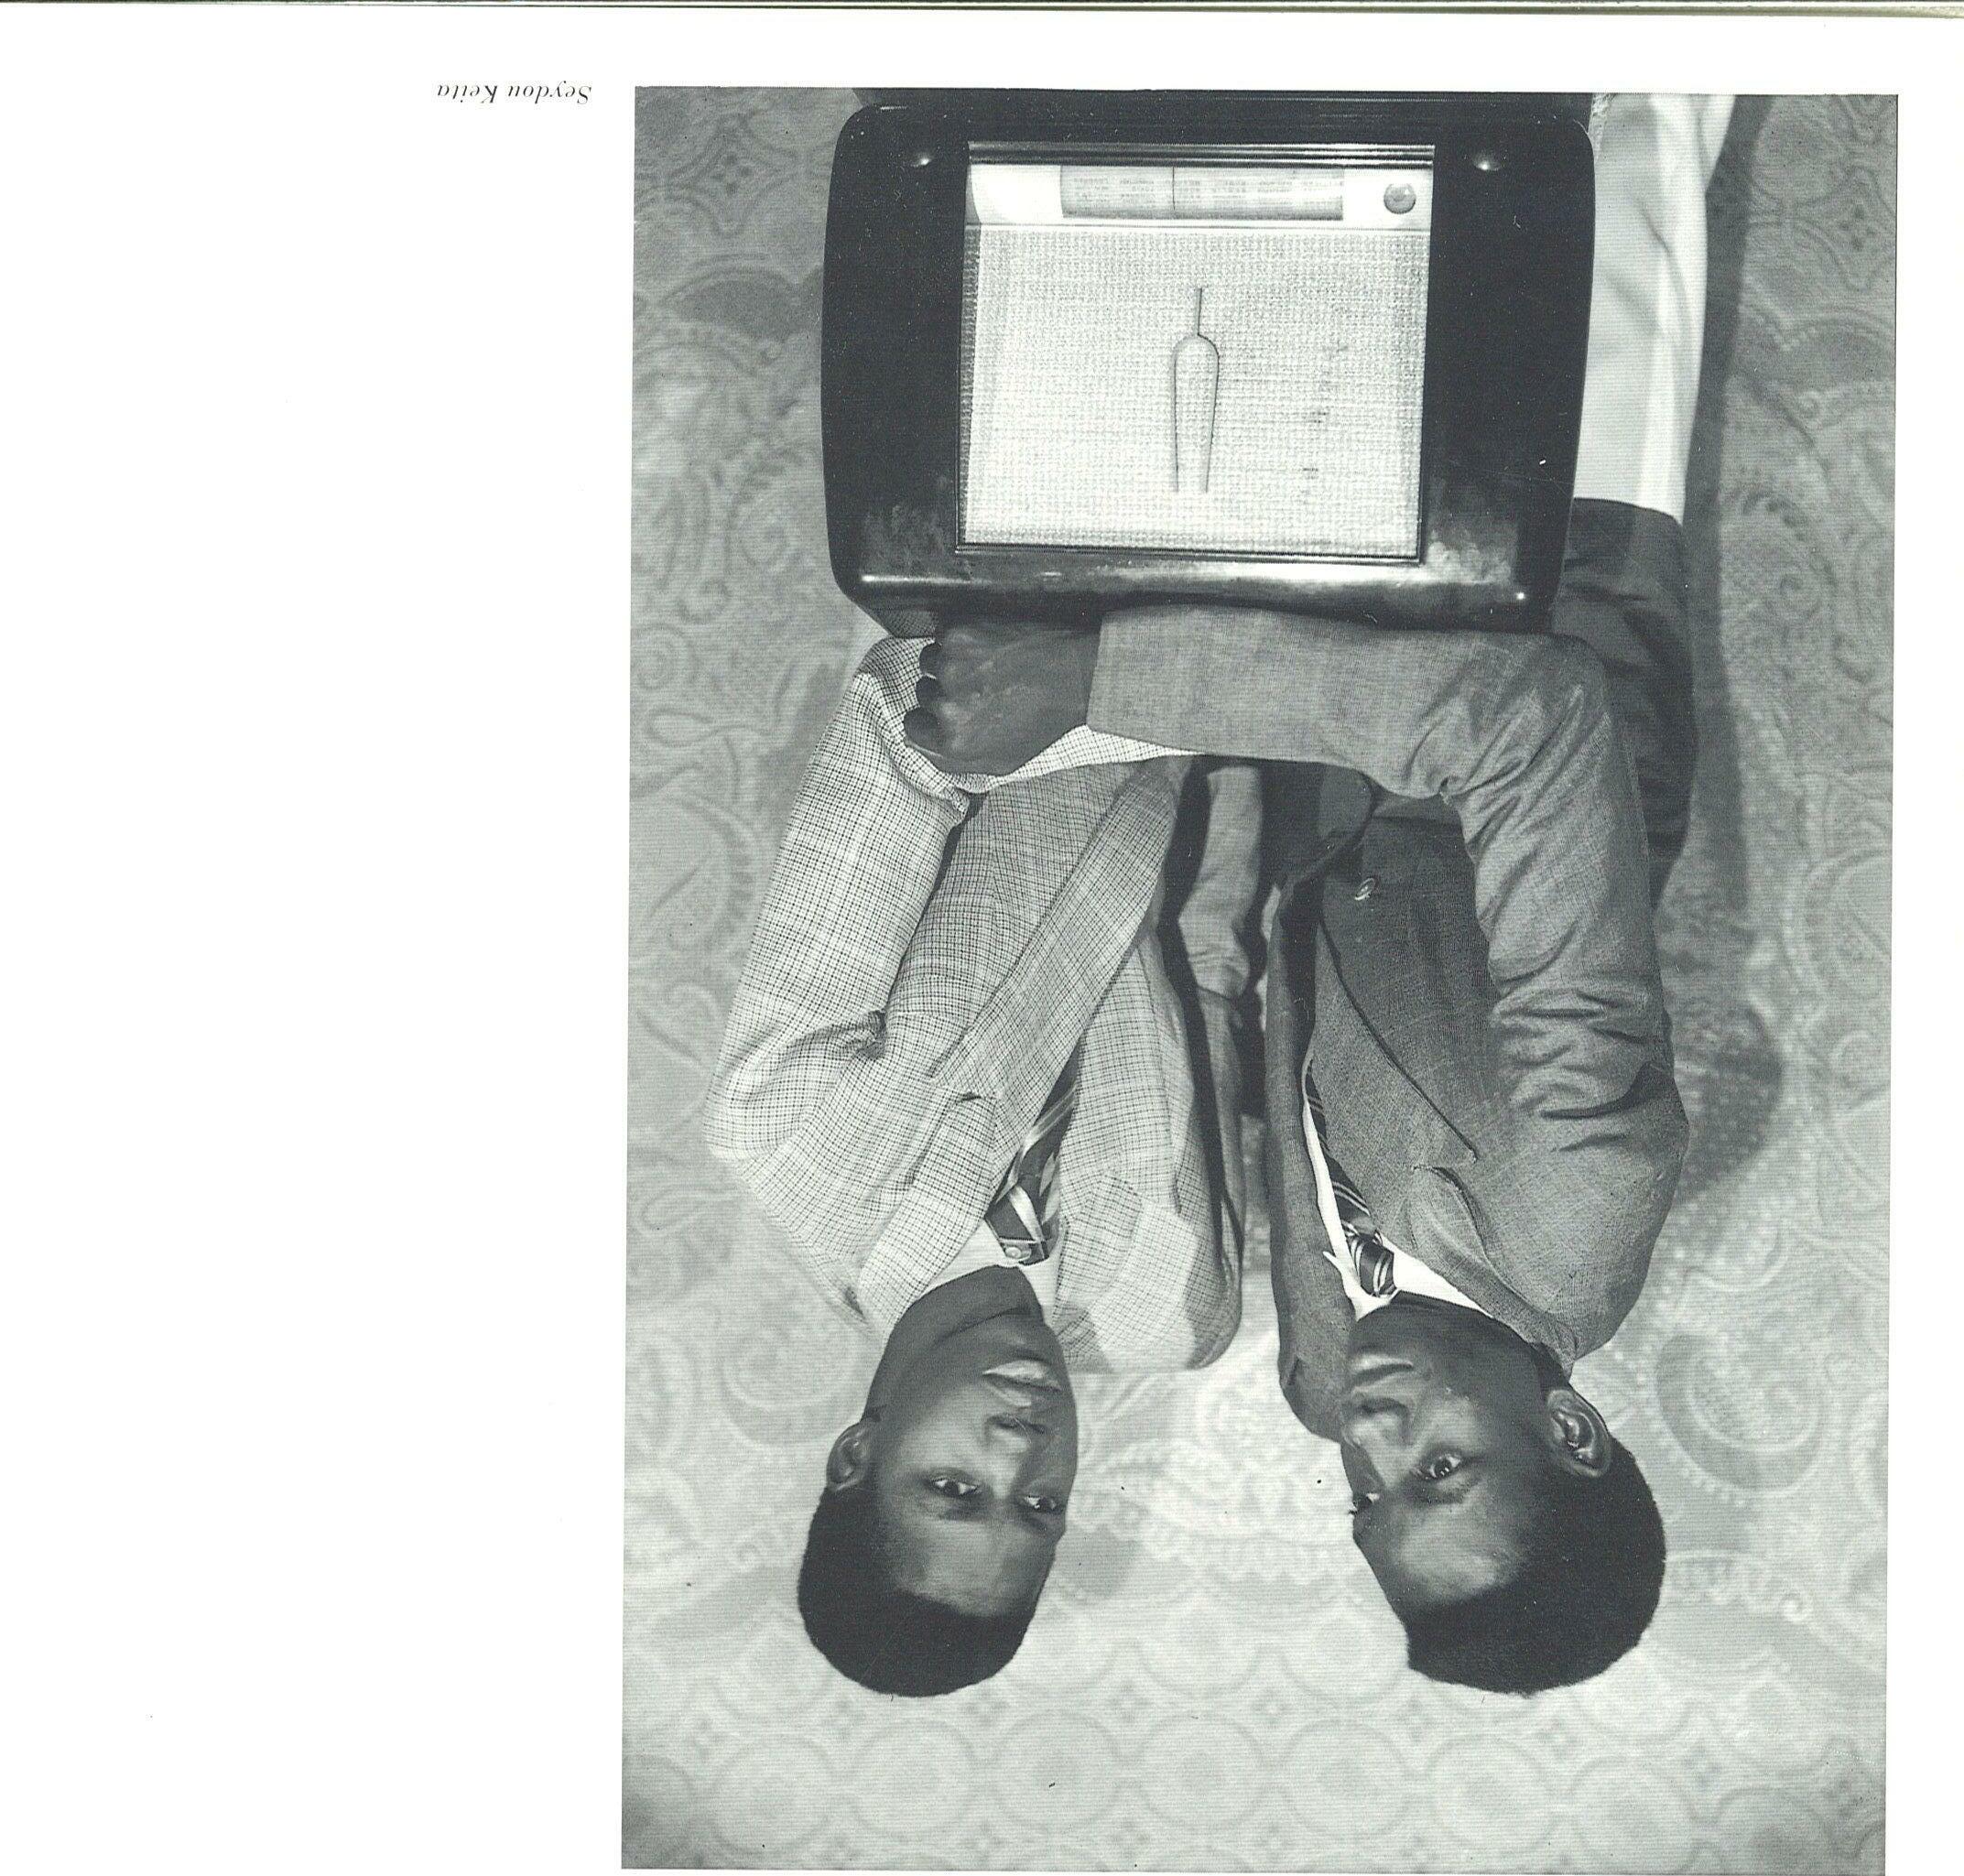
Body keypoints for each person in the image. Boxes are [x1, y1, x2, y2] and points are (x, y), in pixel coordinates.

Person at [906, 94, 1731, 1697]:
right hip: (1546, 598)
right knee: (1624, 141)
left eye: (1369, 1499)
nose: (1371, 1439)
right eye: (1441, 1470)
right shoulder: (1585, 1195)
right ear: (1570, 1428)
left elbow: (1291, 1009)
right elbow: (1532, 726)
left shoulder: (1319, 1373)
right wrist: (1094, 680)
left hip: (1323, 699)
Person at [705, 642, 1260, 1697]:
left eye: (955, 1488)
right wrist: (1252, 729)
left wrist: (1177, 681)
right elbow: (1209, 968)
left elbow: (897, 724)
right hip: (1261, 705)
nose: (1020, 1451)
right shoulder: (1176, 1314)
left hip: (1037, 609)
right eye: (1040, 1506)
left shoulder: (784, 1135)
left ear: (856, 1456)